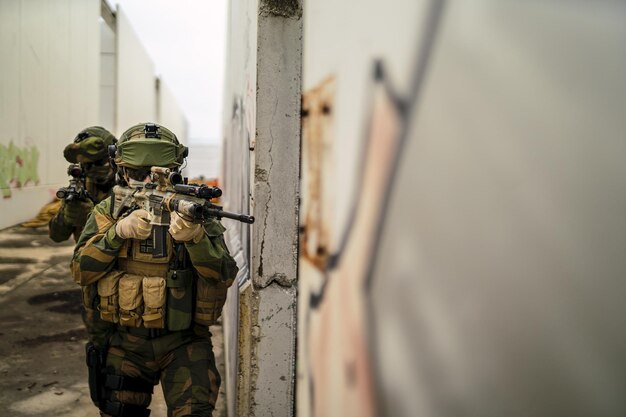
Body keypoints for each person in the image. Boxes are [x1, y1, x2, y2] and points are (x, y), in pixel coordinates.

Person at [71, 123, 238, 417]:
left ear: (174, 169)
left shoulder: (192, 211)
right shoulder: (108, 212)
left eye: (160, 172)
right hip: (126, 342)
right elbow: (81, 272)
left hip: (185, 342)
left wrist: (197, 240)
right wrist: (117, 233)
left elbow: (223, 274)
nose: (149, 180)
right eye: (139, 173)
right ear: (122, 170)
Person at [49, 126, 118, 243]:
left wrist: (92, 217)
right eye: (86, 164)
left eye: (98, 162)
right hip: (84, 258)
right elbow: (57, 236)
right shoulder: (81, 186)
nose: (91, 168)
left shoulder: (126, 188)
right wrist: (66, 216)